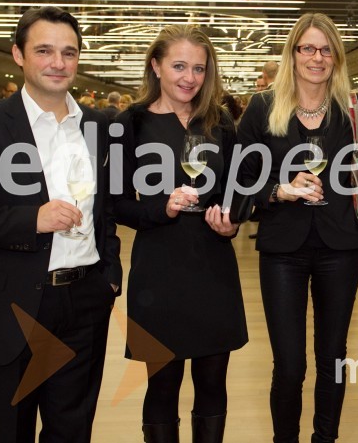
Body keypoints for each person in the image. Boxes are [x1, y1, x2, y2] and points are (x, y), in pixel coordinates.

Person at [0, 6, 121, 443]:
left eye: (68, 52)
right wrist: (30, 219)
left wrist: (109, 276)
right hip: (8, 306)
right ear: (18, 55)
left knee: (72, 431)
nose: (58, 62)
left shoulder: (99, 126)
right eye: (44, 50)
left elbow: (106, 210)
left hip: (84, 303)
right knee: (6, 431)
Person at [237, 12, 358, 443]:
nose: (317, 57)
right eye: (307, 48)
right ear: (292, 54)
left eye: (325, 49)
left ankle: (325, 439)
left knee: (333, 356)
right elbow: (240, 179)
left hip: (339, 246)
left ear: (336, 56)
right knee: (290, 364)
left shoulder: (354, 108)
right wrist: (278, 191)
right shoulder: (262, 108)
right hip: (282, 249)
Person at [112, 25, 247, 443]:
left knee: (212, 383)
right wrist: (160, 208)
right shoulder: (128, 124)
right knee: (162, 385)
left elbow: (235, 189)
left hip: (213, 267)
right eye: (179, 66)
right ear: (155, 66)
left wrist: (232, 221)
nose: (190, 77)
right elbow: (116, 204)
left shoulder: (220, 122)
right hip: (159, 270)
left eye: (199, 68)